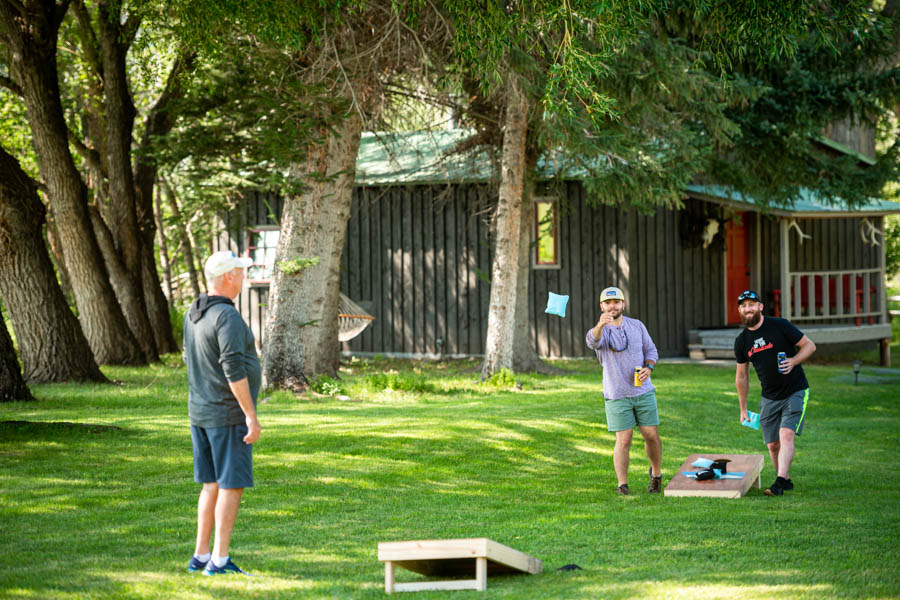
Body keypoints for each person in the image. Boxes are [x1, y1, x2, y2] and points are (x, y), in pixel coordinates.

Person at [183, 251, 262, 575]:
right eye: (241, 272)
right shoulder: (226, 316)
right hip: (226, 414)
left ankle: (200, 556)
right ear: (229, 276)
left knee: (211, 484)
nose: (244, 277)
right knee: (231, 485)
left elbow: (190, 358)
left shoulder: (195, 311)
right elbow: (233, 368)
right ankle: (218, 560)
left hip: (201, 412)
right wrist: (250, 415)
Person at [733, 290, 816, 497]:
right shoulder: (742, 341)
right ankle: (786, 480)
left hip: (795, 390)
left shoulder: (780, 325)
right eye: (744, 306)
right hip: (769, 396)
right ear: (740, 311)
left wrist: (794, 361)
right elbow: (742, 376)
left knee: (786, 434)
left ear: (760, 307)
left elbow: (809, 346)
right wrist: (743, 408)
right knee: (772, 444)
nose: (748, 308)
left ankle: (778, 483)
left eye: (752, 304)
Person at [585, 286, 661, 495]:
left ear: (623, 305)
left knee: (651, 435)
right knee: (624, 439)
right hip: (617, 394)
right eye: (608, 303)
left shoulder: (637, 326)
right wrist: (601, 324)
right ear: (602, 306)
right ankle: (622, 485)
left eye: (616, 302)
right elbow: (592, 342)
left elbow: (651, 350)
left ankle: (656, 475)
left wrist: (649, 367)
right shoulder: (600, 330)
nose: (612, 306)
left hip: (642, 390)